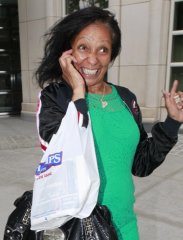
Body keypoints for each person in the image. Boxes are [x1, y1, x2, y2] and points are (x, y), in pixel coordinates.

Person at [35, 6, 183, 240]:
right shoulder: (55, 97)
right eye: (83, 47)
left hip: (125, 224)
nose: (92, 59)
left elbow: (140, 164)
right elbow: (62, 154)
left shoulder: (126, 98)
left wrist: (172, 122)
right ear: (68, 51)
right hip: (77, 229)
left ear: (111, 55)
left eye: (103, 49)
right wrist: (78, 91)